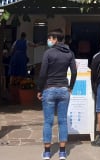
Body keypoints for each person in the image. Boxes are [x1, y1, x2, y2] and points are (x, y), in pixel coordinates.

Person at [36, 29, 77, 160]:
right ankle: (62, 152)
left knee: (48, 121)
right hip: (64, 89)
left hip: (49, 88)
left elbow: (43, 73)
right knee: (62, 120)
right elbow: (74, 72)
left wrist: (39, 89)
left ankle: (47, 152)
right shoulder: (69, 53)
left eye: (50, 38)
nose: (49, 40)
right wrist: (71, 87)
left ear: (55, 39)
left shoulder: (48, 53)